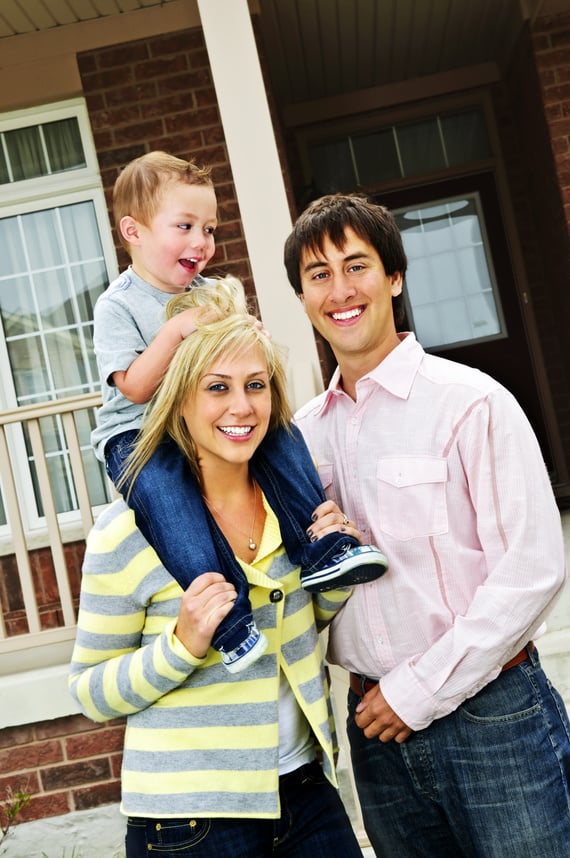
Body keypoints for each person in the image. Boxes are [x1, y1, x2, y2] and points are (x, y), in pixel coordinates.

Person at [283, 192, 570, 858]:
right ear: (302, 295)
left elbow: (533, 571)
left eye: (356, 265)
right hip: (377, 737)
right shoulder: (300, 437)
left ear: (394, 277)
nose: (340, 290)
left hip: (493, 720)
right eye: (318, 275)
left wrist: (415, 691)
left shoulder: (470, 403)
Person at [70, 277, 365, 858]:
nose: (242, 407)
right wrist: (180, 644)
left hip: (307, 793)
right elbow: (90, 692)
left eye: (256, 386)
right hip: (190, 823)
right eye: (218, 388)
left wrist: (334, 568)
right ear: (181, 397)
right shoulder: (127, 532)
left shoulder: (292, 504)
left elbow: (303, 628)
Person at [91, 151, 388, 673]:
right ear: (133, 231)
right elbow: (135, 388)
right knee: (174, 509)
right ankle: (228, 623)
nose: (201, 242)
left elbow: (242, 360)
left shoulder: (212, 293)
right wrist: (177, 330)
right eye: (184, 226)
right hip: (138, 437)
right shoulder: (119, 304)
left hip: (203, 425)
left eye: (208, 228)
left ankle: (319, 548)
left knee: (278, 431)